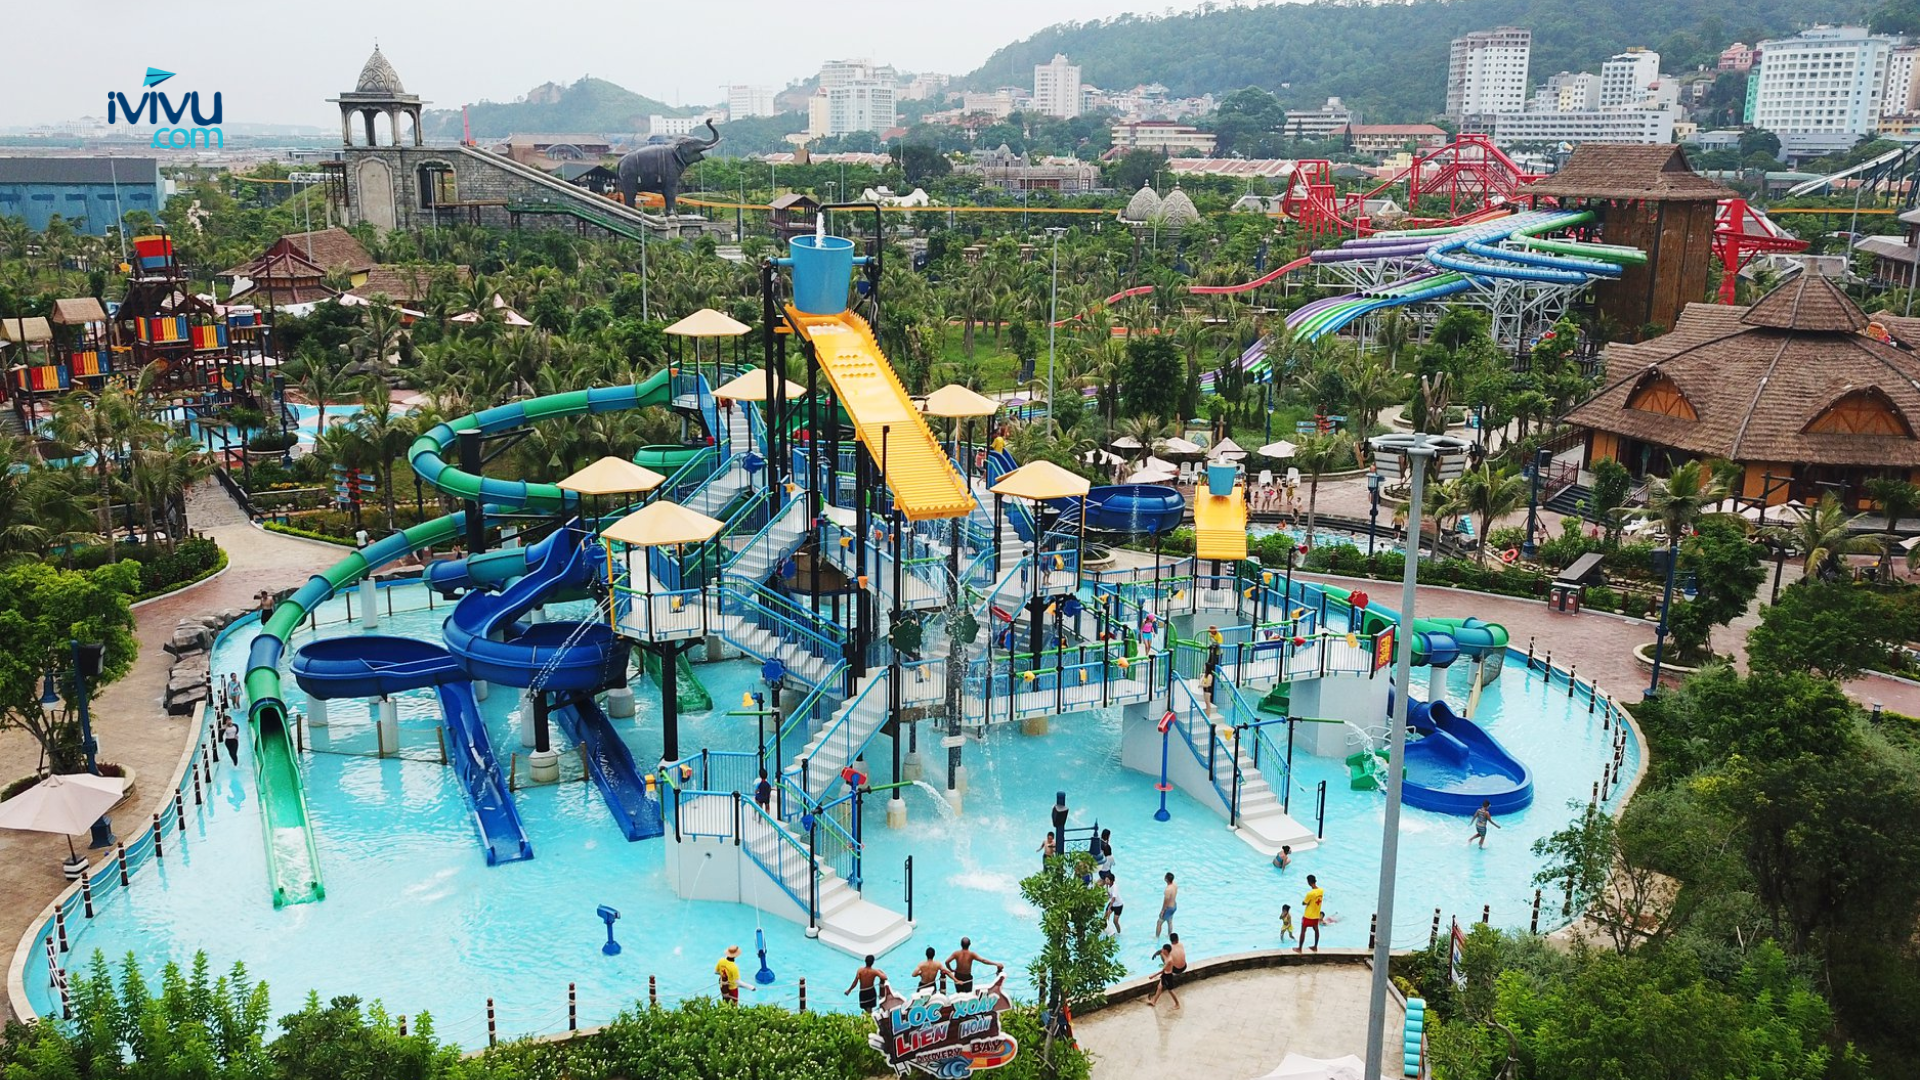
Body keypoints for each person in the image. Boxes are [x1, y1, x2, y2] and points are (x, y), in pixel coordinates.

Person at [1296, 875, 1325, 953]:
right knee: (1316, 930)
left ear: (1309, 882)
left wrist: (1306, 902)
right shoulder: (1321, 891)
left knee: (1303, 931)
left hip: (1308, 916)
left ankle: (1299, 949)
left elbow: (1304, 903)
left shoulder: (1310, 893)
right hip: (1316, 915)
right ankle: (1315, 947)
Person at [1155, 872, 1178, 938]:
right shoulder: (1175, 885)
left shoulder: (1167, 890)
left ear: (1166, 879)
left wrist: (1162, 911)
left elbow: (1166, 902)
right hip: (1174, 906)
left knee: (1159, 923)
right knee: (1170, 921)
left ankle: (1157, 937)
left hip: (1169, 908)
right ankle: (1169, 935)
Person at [1102, 870, 1124, 934]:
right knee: (1105, 917)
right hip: (1112, 903)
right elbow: (1109, 896)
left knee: (1115, 921)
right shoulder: (1108, 885)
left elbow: (1113, 899)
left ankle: (1119, 933)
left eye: (1107, 880)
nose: (1106, 881)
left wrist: (1109, 908)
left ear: (1111, 881)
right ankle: (1105, 930)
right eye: (1105, 879)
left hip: (1118, 905)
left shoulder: (1115, 887)